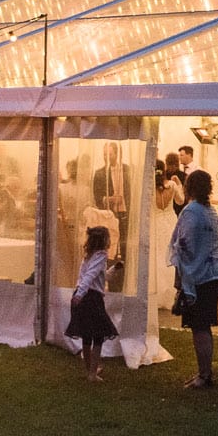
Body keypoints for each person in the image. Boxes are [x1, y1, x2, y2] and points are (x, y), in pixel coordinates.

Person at [168, 170, 218, 389]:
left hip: (198, 275)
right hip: (214, 273)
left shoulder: (190, 211)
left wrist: (184, 276)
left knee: (199, 326)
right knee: (204, 325)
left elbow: (185, 244)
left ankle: (204, 374)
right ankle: (205, 371)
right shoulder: (211, 211)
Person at [66, 225, 119, 382]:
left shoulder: (89, 256)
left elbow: (100, 277)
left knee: (87, 335)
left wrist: (114, 269)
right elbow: (90, 276)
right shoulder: (101, 255)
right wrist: (81, 294)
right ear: (104, 240)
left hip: (83, 296)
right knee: (98, 335)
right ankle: (92, 373)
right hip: (91, 298)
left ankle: (90, 369)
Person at [92, 141, 132, 293]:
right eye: (104, 155)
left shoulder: (129, 170)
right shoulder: (100, 173)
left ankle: (124, 285)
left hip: (126, 216)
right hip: (109, 218)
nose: (106, 158)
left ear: (118, 154)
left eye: (109, 154)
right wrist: (109, 199)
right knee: (111, 251)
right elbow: (97, 197)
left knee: (126, 250)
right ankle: (112, 285)